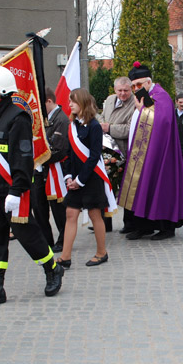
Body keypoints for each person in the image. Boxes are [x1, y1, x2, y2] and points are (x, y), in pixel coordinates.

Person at [0, 66, 64, 307]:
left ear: (1, 90)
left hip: (12, 191)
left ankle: (52, 268)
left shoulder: (17, 117)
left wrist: (16, 190)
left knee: (27, 234)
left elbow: (22, 158)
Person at [118, 61, 183, 240]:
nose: (136, 88)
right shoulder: (144, 97)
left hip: (161, 154)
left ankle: (166, 228)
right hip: (143, 152)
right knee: (142, 188)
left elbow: (162, 120)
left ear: (149, 82)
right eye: (134, 85)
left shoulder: (162, 96)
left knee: (160, 187)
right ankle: (144, 226)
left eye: (139, 84)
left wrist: (140, 108)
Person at [56, 89, 110, 268]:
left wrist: (80, 181)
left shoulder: (94, 126)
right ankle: (65, 257)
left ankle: (102, 253)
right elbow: (69, 153)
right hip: (75, 179)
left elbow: (94, 156)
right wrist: (69, 177)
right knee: (70, 213)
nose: (69, 104)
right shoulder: (73, 125)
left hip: (91, 178)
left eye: (73, 101)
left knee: (95, 215)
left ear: (83, 103)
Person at [31, 87, 69, 252]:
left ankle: (63, 239)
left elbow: (59, 149)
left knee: (58, 208)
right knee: (39, 207)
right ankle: (46, 240)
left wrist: (39, 157)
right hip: (39, 169)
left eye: (41, 104)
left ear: (49, 101)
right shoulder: (41, 118)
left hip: (55, 169)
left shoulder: (62, 119)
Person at [100, 76, 136, 233]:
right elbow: (102, 117)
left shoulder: (135, 103)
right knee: (106, 188)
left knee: (127, 190)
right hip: (106, 151)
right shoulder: (109, 100)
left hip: (124, 153)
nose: (122, 94)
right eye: (119, 90)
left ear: (131, 89)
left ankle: (129, 224)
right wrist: (101, 124)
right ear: (114, 90)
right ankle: (104, 223)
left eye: (126, 91)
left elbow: (130, 129)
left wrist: (109, 128)